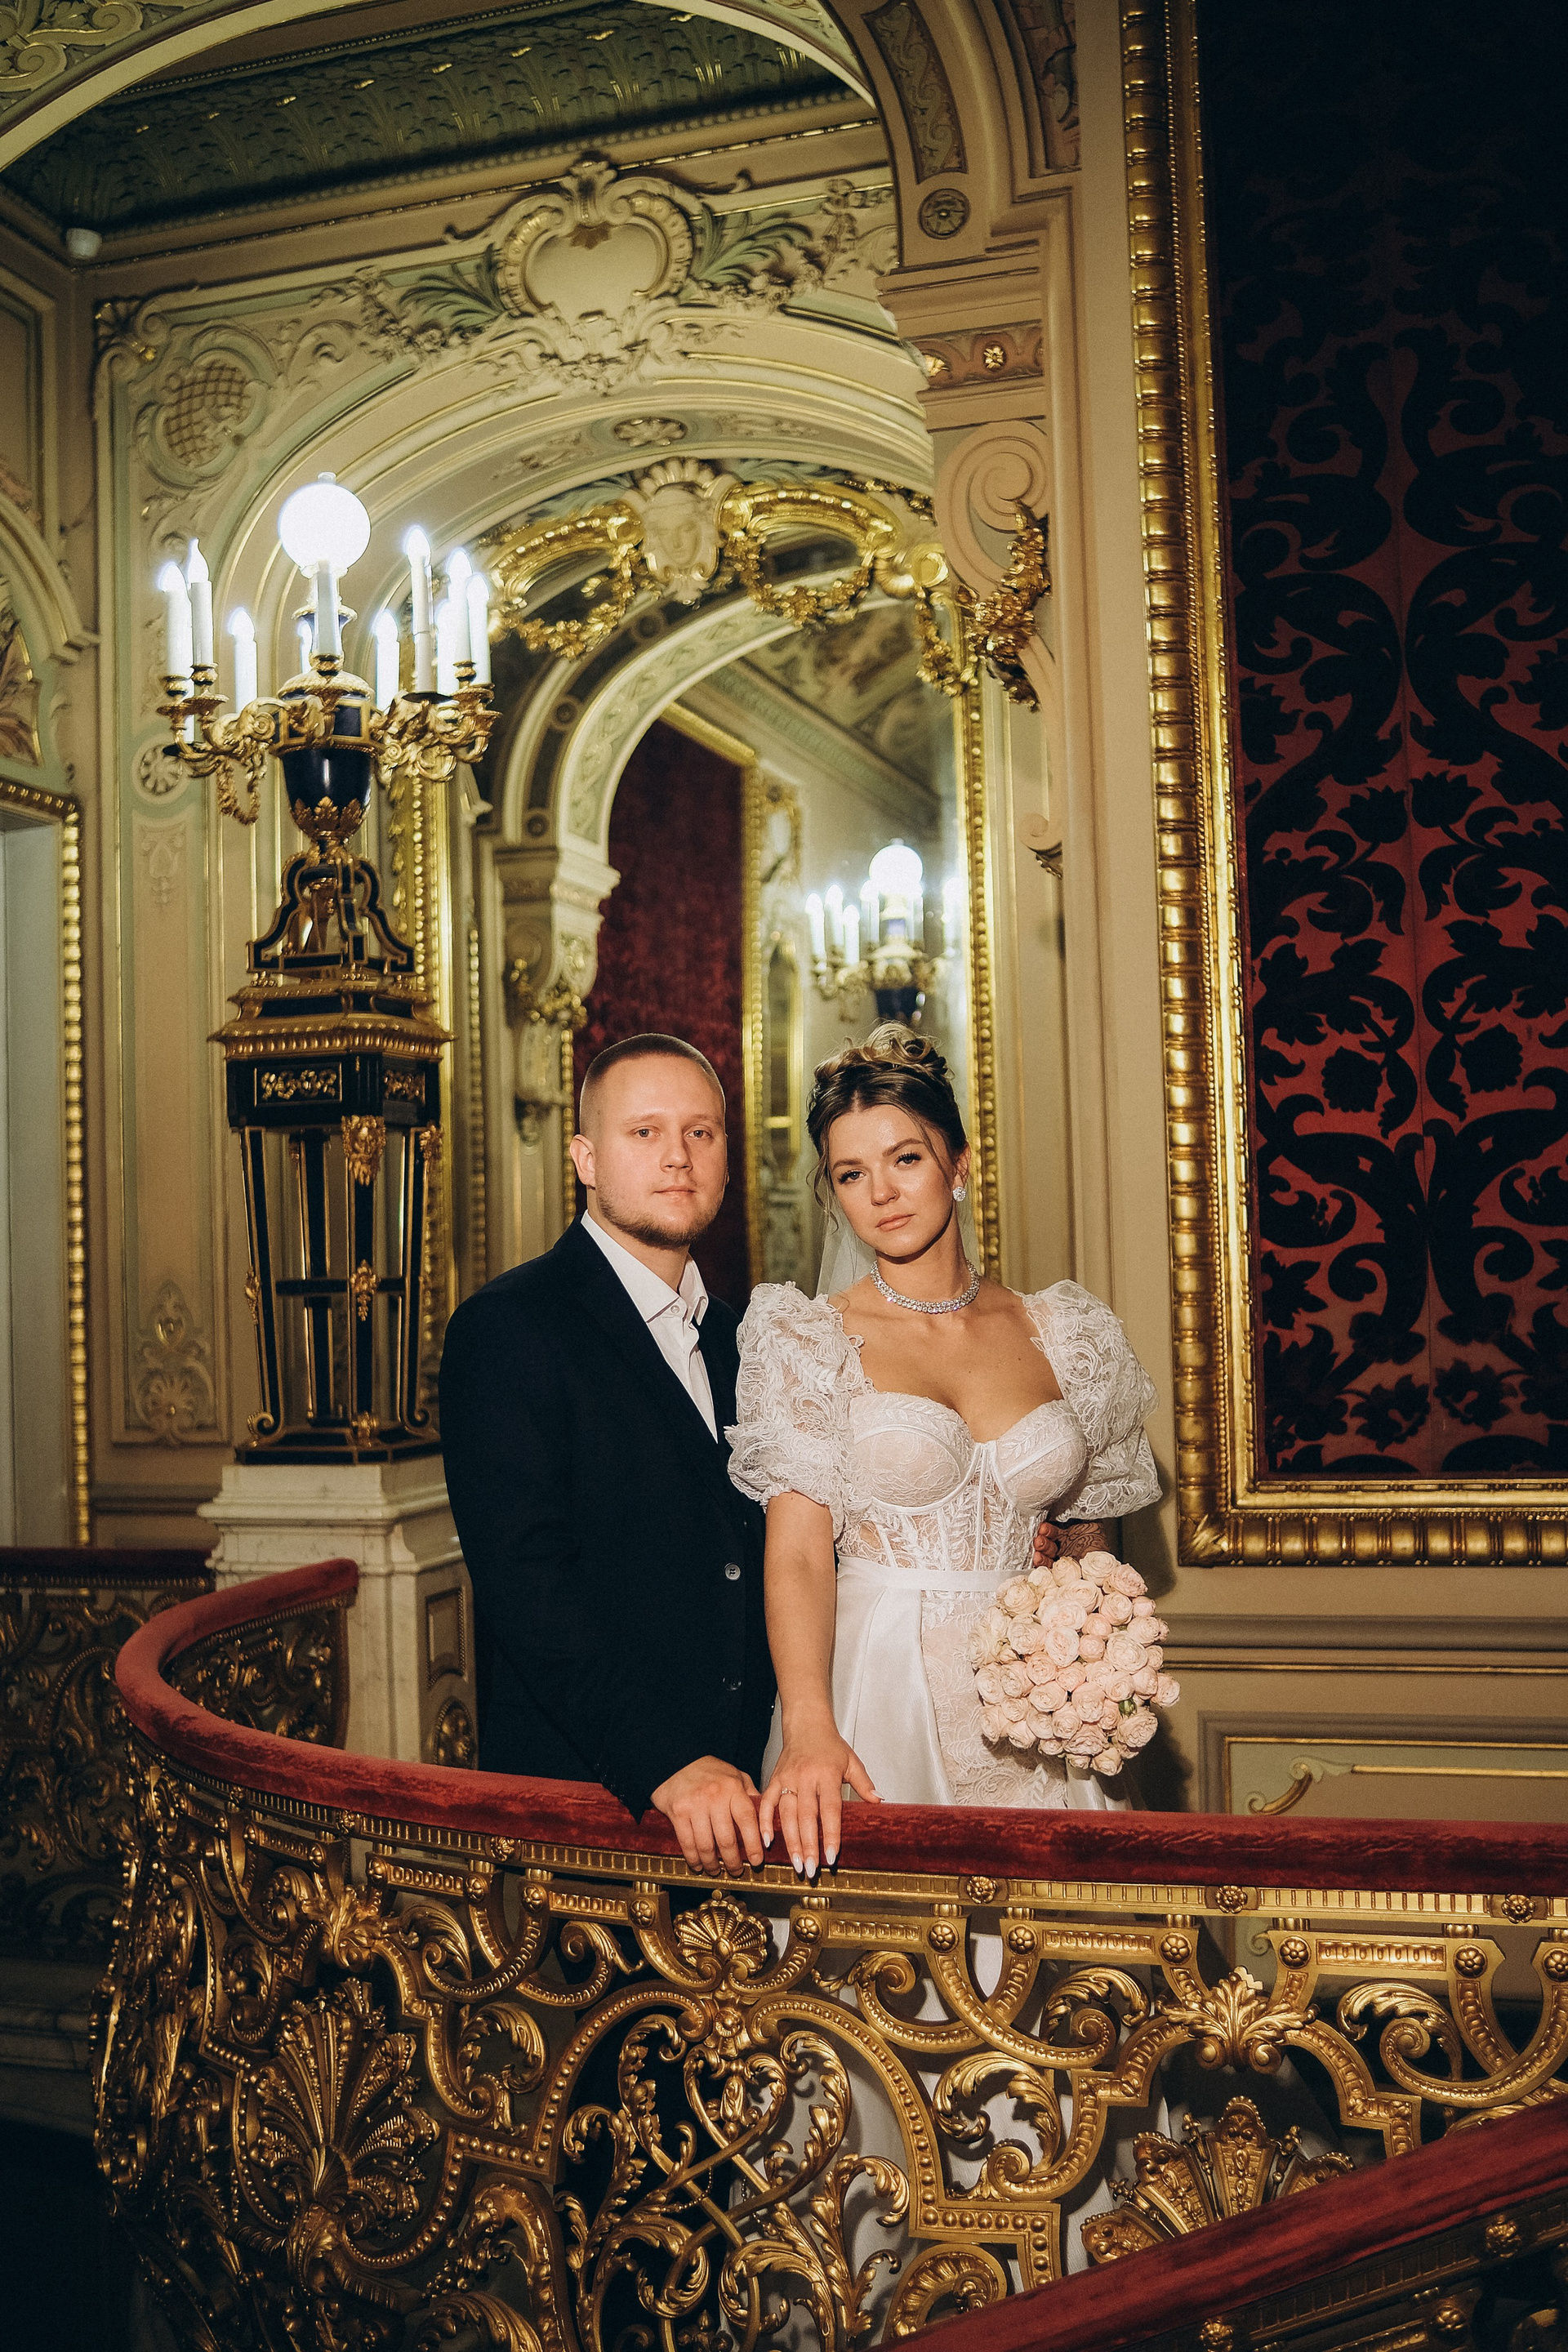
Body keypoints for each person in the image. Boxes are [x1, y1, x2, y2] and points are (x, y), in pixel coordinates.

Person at [728, 1025, 1160, 1876]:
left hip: (1037, 1697)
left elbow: (1093, 1537)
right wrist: (810, 1726)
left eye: (906, 1159)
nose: (882, 1193)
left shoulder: (1065, 1332)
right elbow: (801, 1554)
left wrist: (1086, 1639)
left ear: (959, 1163)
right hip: (876, 1686)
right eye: (852, 1174)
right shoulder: (806, 1339)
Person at [439, 1034, 773, 1874]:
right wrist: (665, 1760)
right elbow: (526, 1585)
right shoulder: (507, 1327)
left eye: (701, 1133)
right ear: (586, 1158)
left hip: (755, 1795)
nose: (678, 1157)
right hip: (594, 1813)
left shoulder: (747, 1339)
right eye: (645, 1132)